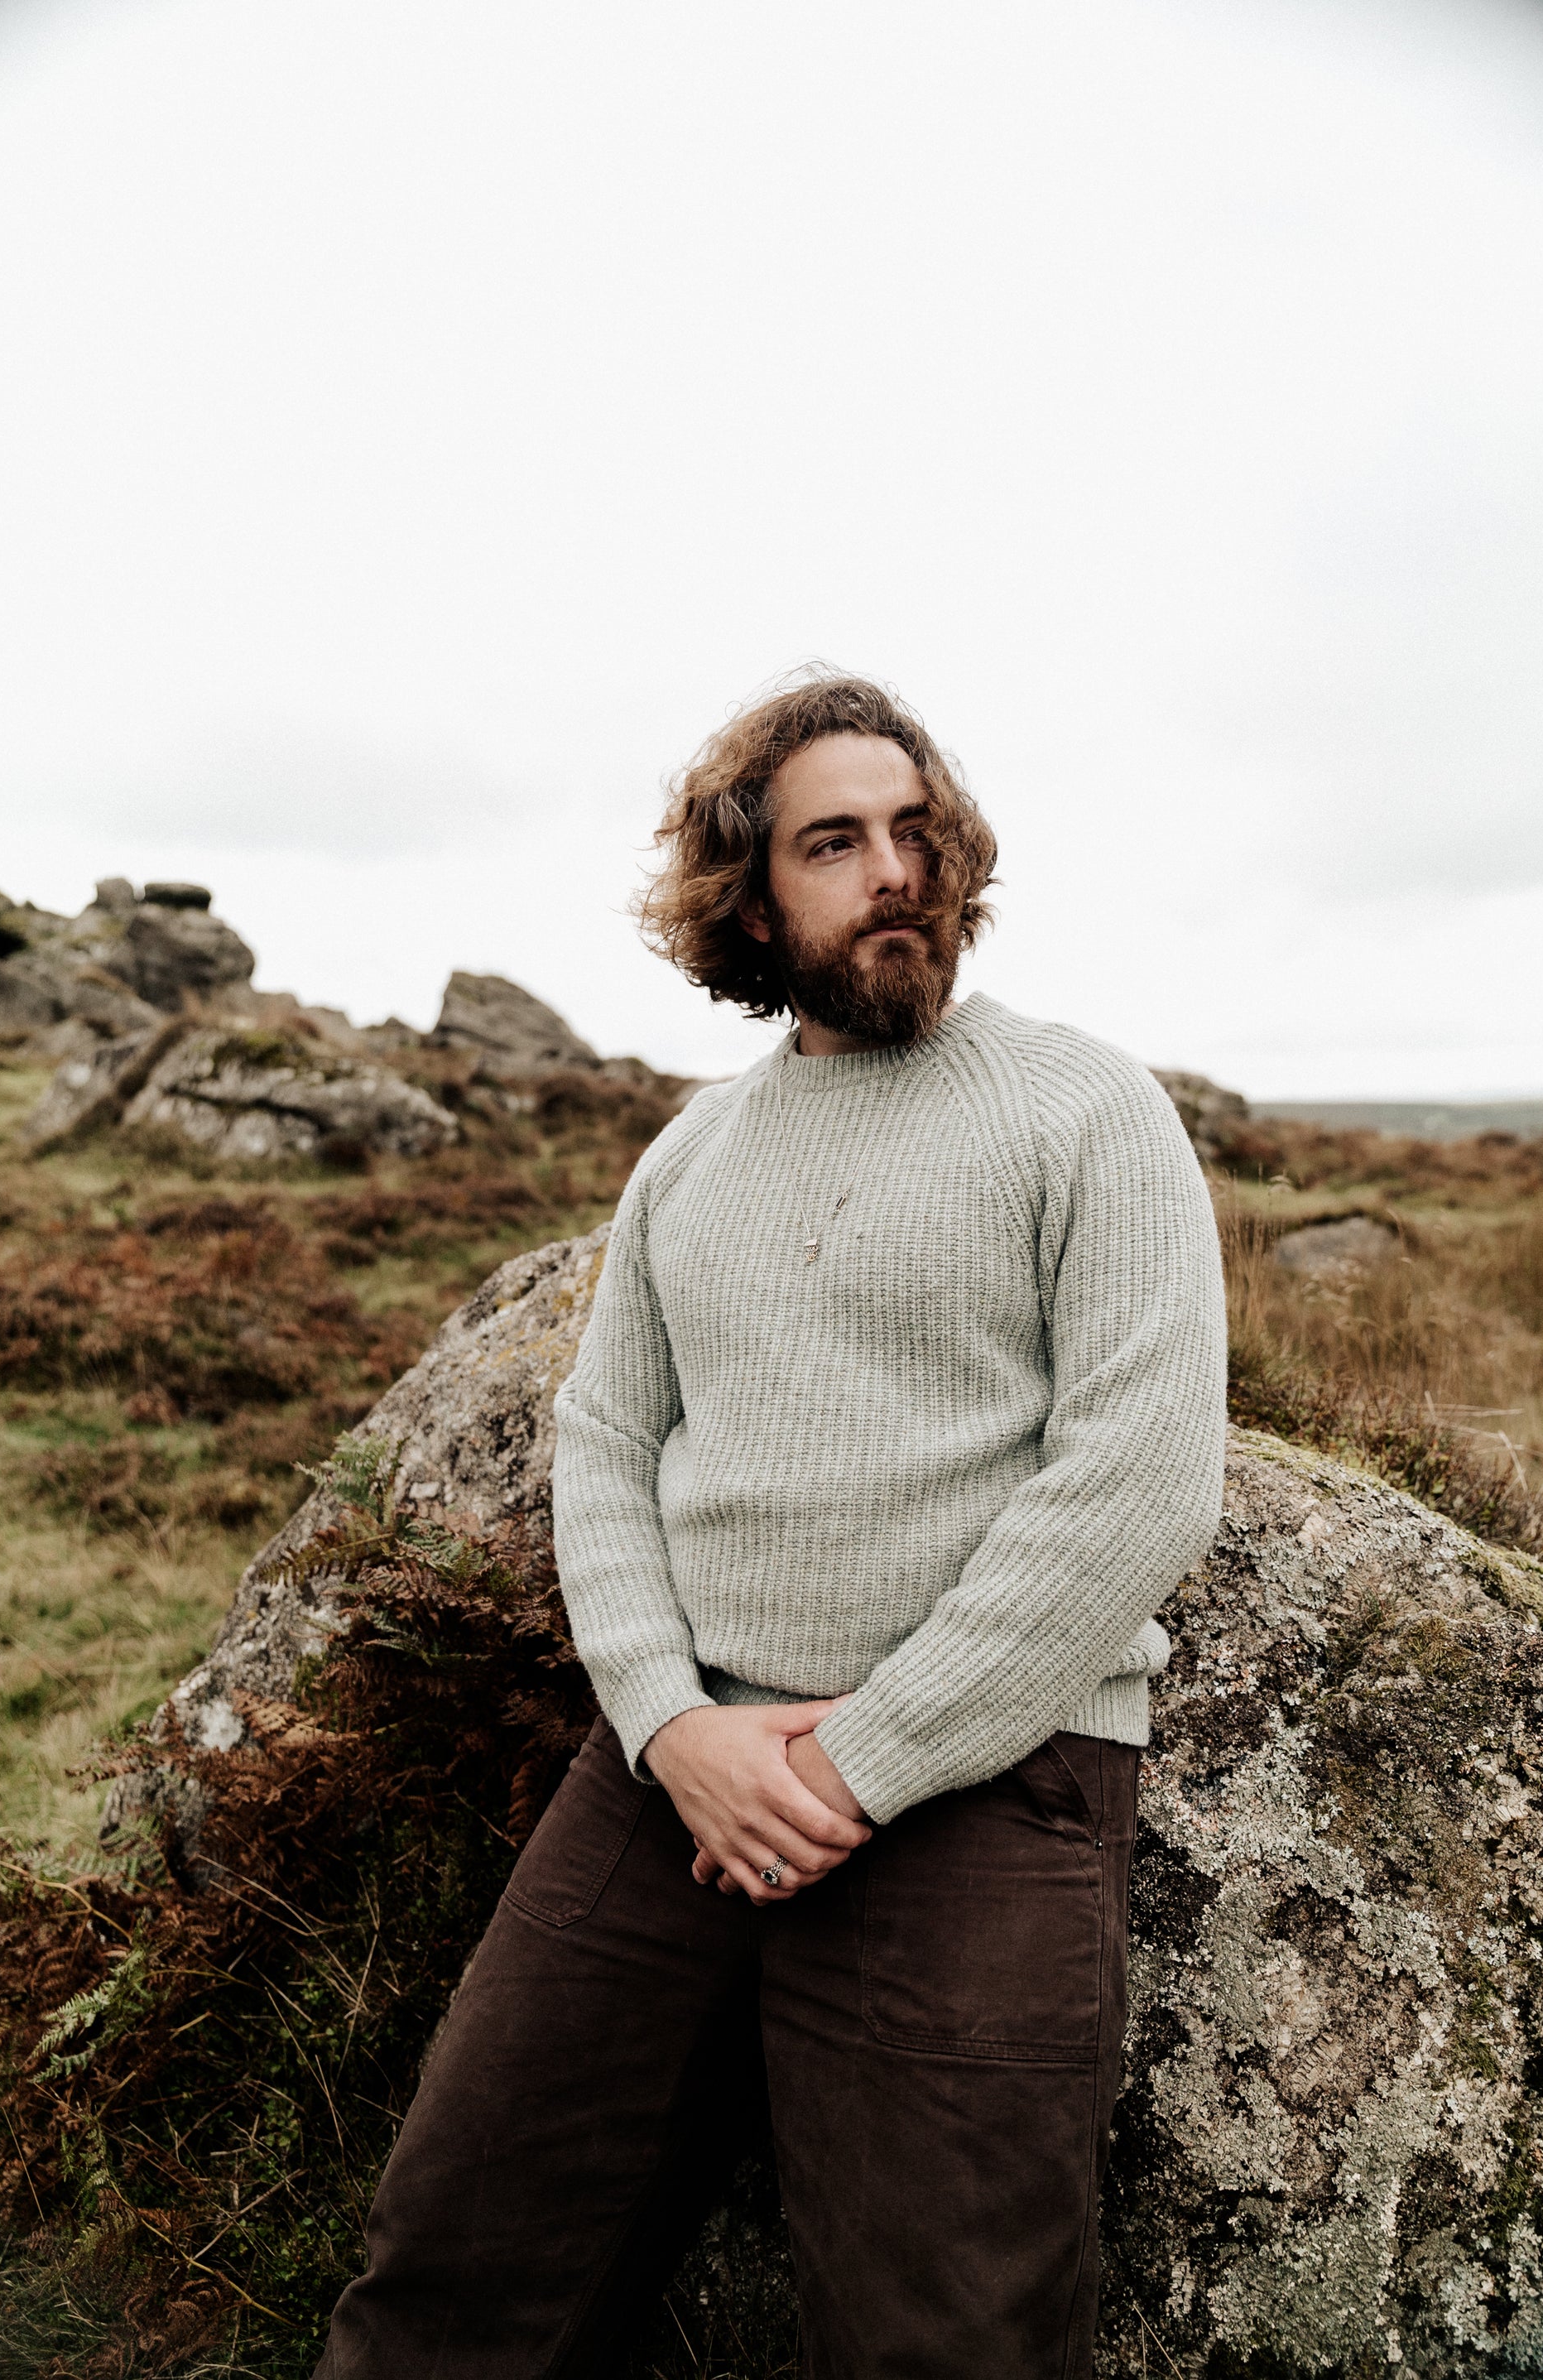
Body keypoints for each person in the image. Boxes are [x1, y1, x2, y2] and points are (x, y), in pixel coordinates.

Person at [315, 672, 1227, 2378]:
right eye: (836, 842)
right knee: (454, 2267)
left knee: (943, 2340)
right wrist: (671, 1726)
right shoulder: (689, 1157)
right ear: (752, 898)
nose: (897, 871)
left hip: (985, 1779)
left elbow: (1141, 1476)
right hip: (680, 1770)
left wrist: (855, 1762)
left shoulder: (1089, 1109)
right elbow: (603, 1442)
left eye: (916, 832)